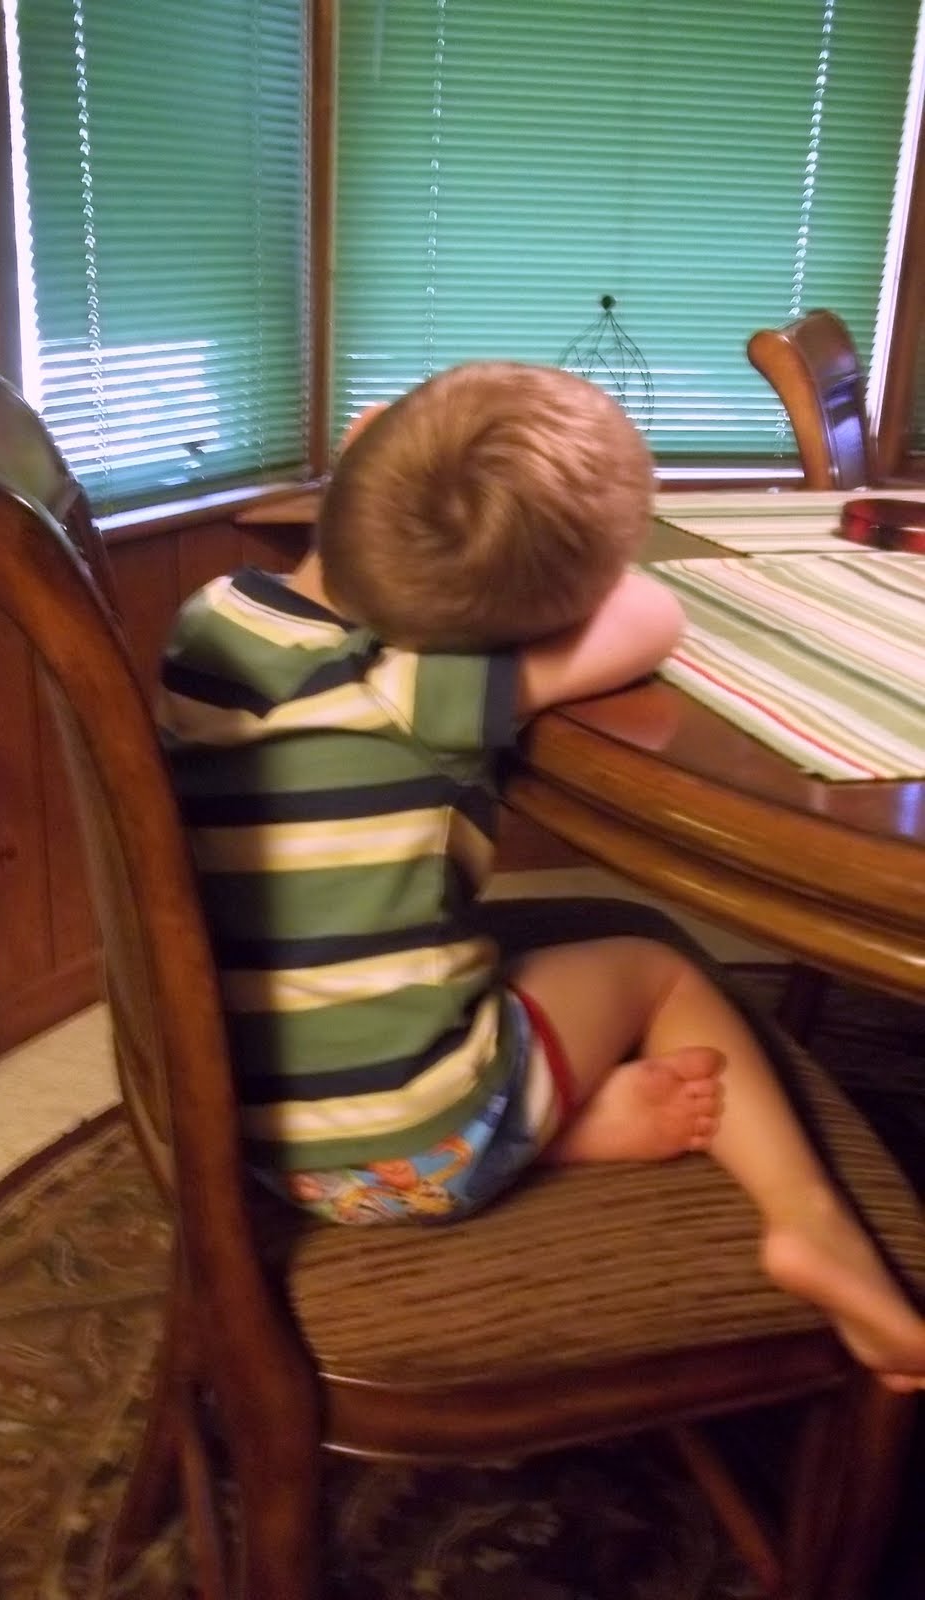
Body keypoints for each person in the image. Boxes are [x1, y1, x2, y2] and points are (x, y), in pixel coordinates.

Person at [158, 360, 925, 1390]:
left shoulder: (210, 618)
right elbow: (652, 616)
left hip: (241, 1117)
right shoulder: (427, 689)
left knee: (513, 967)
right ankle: (806, 1220)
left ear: (360, 436)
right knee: (657, 962)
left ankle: (554, 1126)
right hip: (409, 1137)